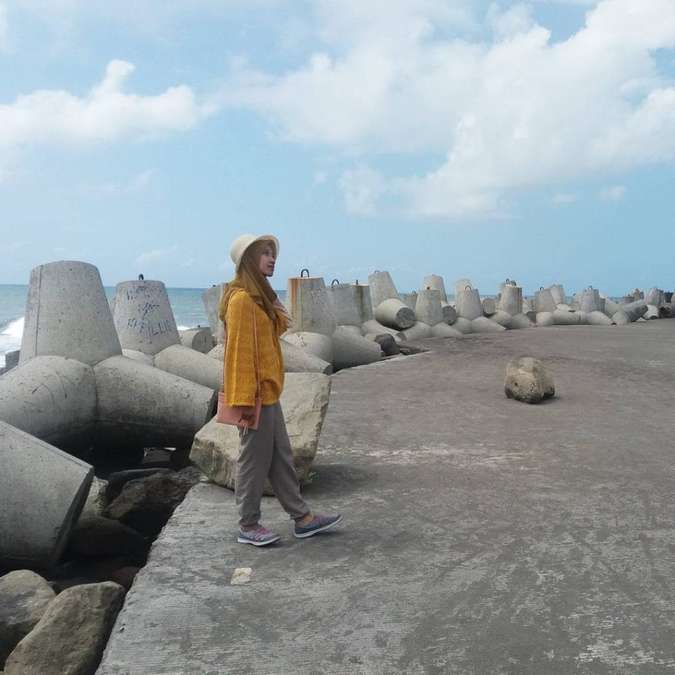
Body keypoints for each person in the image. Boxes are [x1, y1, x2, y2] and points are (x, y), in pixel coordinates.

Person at [219, 233, 342, 546]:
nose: (272, 258)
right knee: (253, 460)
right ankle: (248, 525)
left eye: (272, 253)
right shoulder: (243, 300)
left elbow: (279, 326)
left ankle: (302, 518)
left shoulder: (257, 296)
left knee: (280, 458)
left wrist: (272, 299)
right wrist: (245, 400)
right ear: (248, 260)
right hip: (255, 395)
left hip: (267, 392)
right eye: (264, 254)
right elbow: (239, 355)